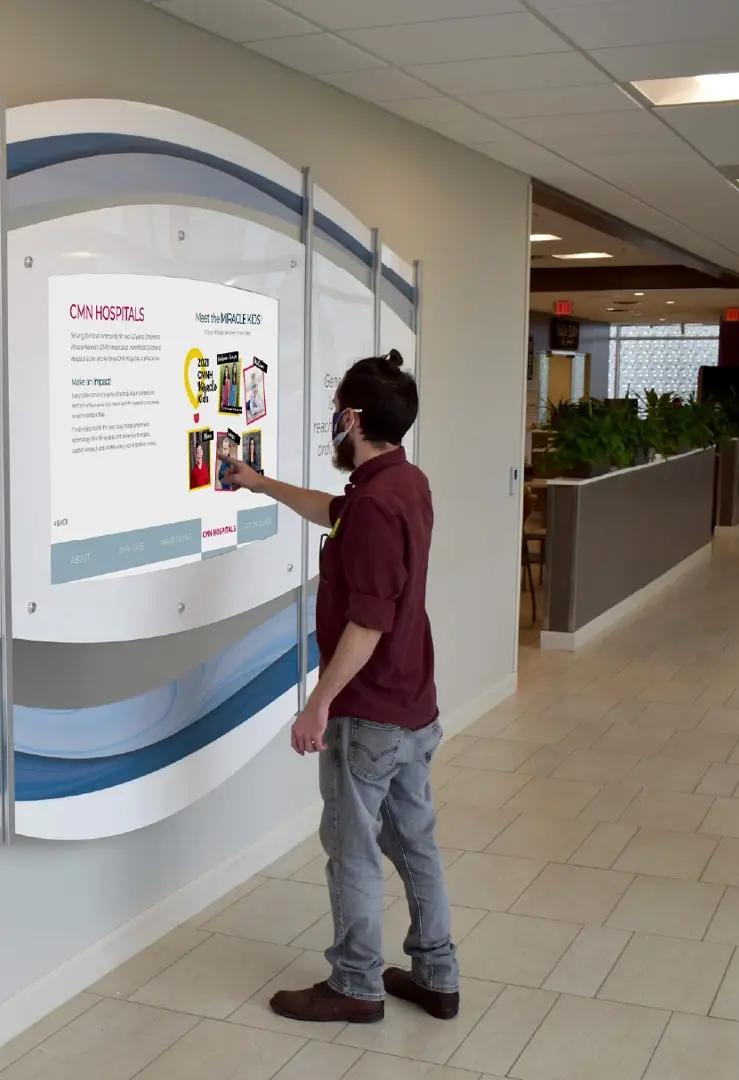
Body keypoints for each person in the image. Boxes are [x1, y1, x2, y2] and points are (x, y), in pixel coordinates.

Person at [218, 349, 455, 1025]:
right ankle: (437, 975)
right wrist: (260, 483)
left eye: (335, 415)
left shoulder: (378, 504)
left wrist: (318, 704)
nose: (332, 425)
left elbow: (369, 622)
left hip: (371, 713)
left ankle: (355, 984)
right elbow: (336, 511)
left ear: (351, 417)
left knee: (352, 850)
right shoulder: (401, 484)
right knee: (415, 844)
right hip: (412, 702)